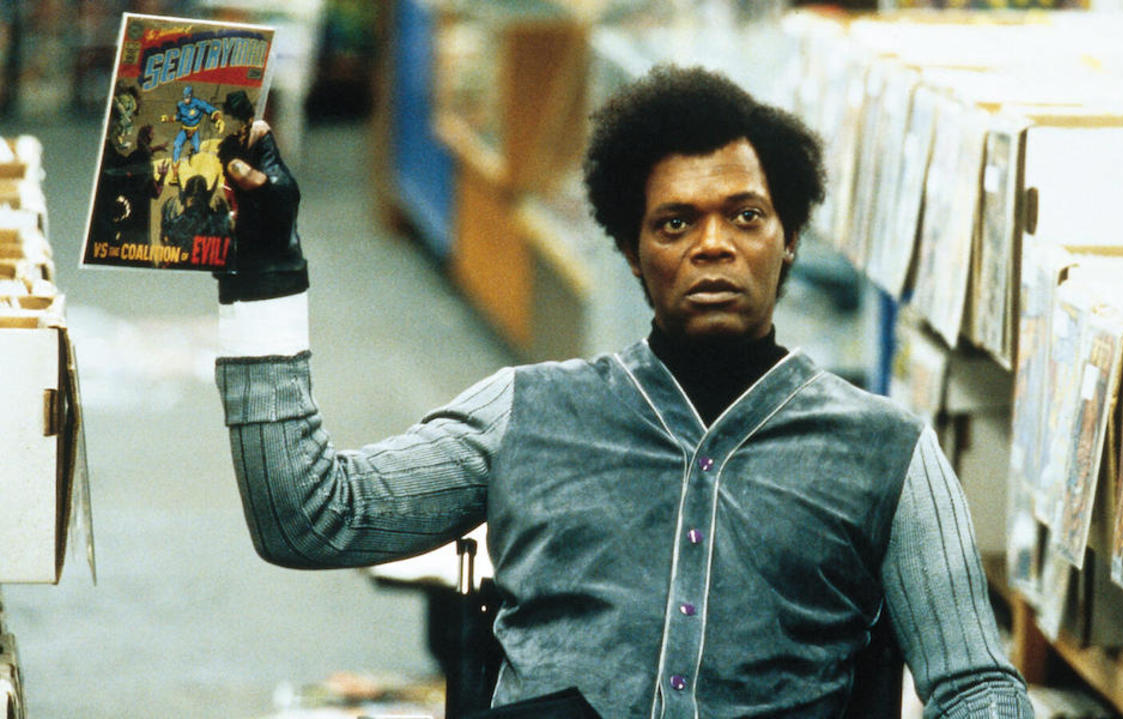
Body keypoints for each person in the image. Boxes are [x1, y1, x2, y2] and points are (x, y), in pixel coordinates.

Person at [213, 64, 1034, 718]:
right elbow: (306, 516)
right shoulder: (526, 413)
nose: (714, 244)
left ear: (788, 240)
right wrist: (265, 268)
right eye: (676, 223)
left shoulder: (886, 453)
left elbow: (976, 685)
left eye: (746, 216)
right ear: (635, 254)